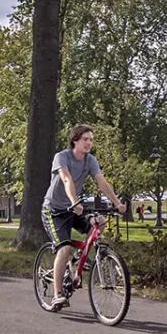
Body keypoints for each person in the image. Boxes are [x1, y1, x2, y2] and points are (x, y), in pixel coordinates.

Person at [45, 125, 123, 311]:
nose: (89, 143)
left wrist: (117, 203)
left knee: (100, 222)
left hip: (75, 209)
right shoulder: (62, 157)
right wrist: (74, 200)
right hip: (54, 210)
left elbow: (101, 182)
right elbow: (66, 179)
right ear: (75, 140)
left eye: (91, 140)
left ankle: (80, 257)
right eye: (85, 139)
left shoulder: (90, 160)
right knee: (63, 249)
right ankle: (57, 295)